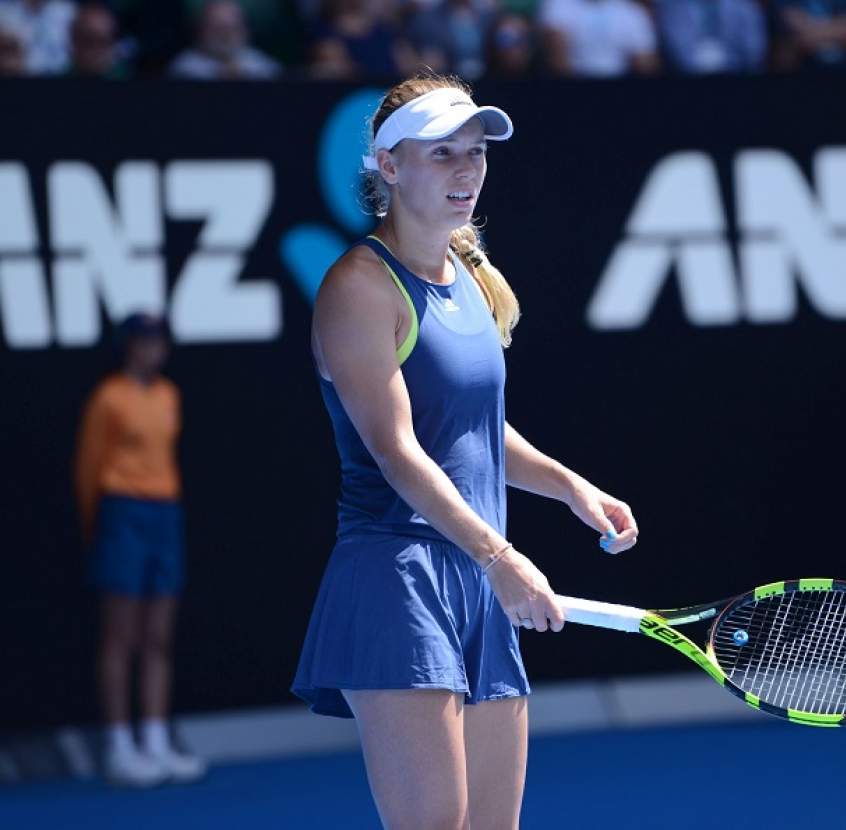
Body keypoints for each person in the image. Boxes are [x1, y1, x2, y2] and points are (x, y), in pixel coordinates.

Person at [291, 75, 639, 829]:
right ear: (389, 166)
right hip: (395, 581)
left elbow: (471, 430)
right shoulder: (358, 287)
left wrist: (568, 485)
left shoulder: (471, 280)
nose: (465, 171)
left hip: (474, 580)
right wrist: (500, 557)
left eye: (475, 153)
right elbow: (398, 451)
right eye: (442, 153)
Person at [75, 313, 206, 787]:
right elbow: (89, 467)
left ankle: (154, 738)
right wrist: (98, 525)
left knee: (157, 637)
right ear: (128, 346)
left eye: (159, 341)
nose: (153, 350)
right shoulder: (109, 397)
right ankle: (118, 744)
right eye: (144, 342)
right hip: (121, 513)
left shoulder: (170, 395)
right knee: (120, 637)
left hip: (164, 513)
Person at [167, 0, 281, 80]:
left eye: (232, 28)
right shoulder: (184, 70)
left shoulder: (264, 67)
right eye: (218, 29)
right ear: (201, 30)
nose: (226, 35)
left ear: (245, 30)